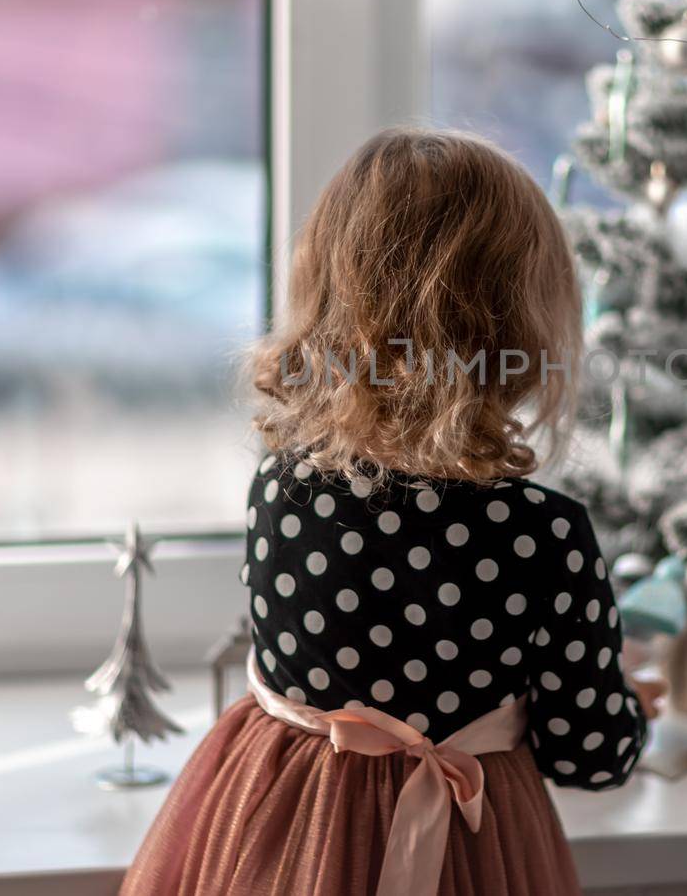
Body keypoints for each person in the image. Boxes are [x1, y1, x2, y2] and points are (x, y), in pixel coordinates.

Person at [123, 128, 659, 896]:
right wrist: (631, 702)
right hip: (468, 855)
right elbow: (591, 757)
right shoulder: (544, 532)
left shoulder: (281, 489)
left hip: (287, 835)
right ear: (521, 325)